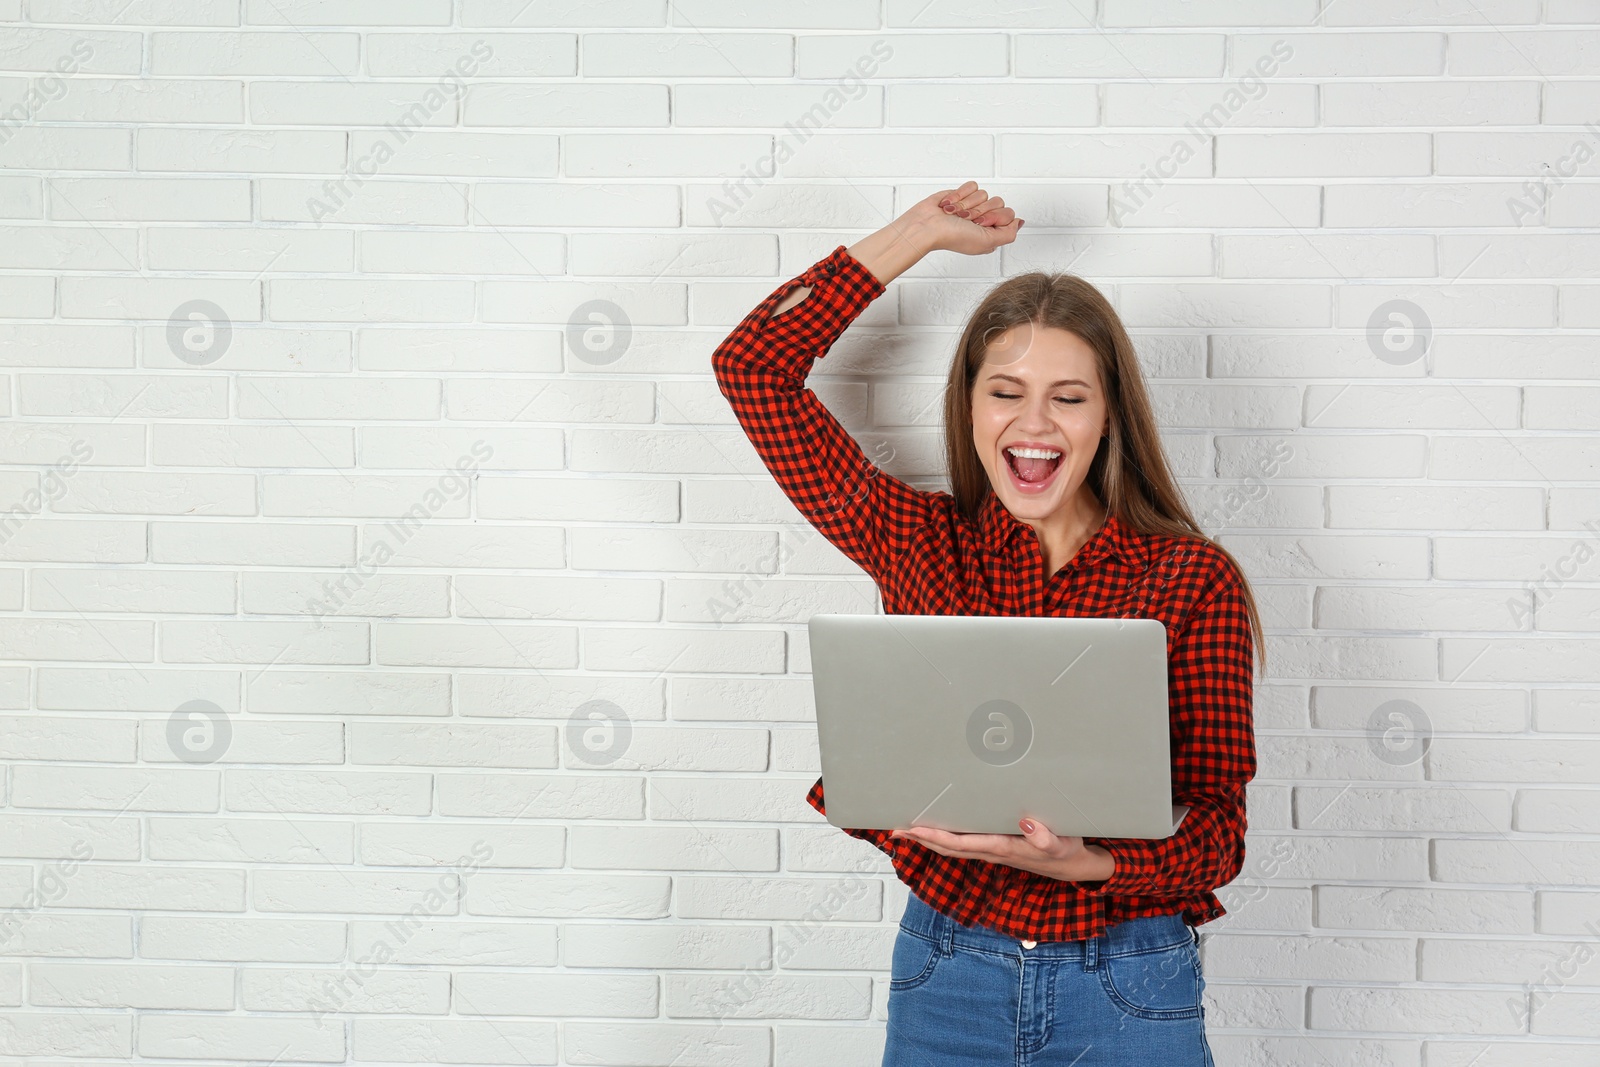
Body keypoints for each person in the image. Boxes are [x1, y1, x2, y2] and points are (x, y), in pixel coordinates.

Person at [711, 181, 1262, 1066]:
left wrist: (1095, 866)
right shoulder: (917, 542)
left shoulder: (1191, 579)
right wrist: (917, 235)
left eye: (1069, 397)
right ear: (969, 408)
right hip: (949, 970)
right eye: (1005, 391)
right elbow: (752, 369)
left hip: (1126, 973)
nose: (1033, 424)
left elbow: (1218, 832)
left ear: (1109, 415)